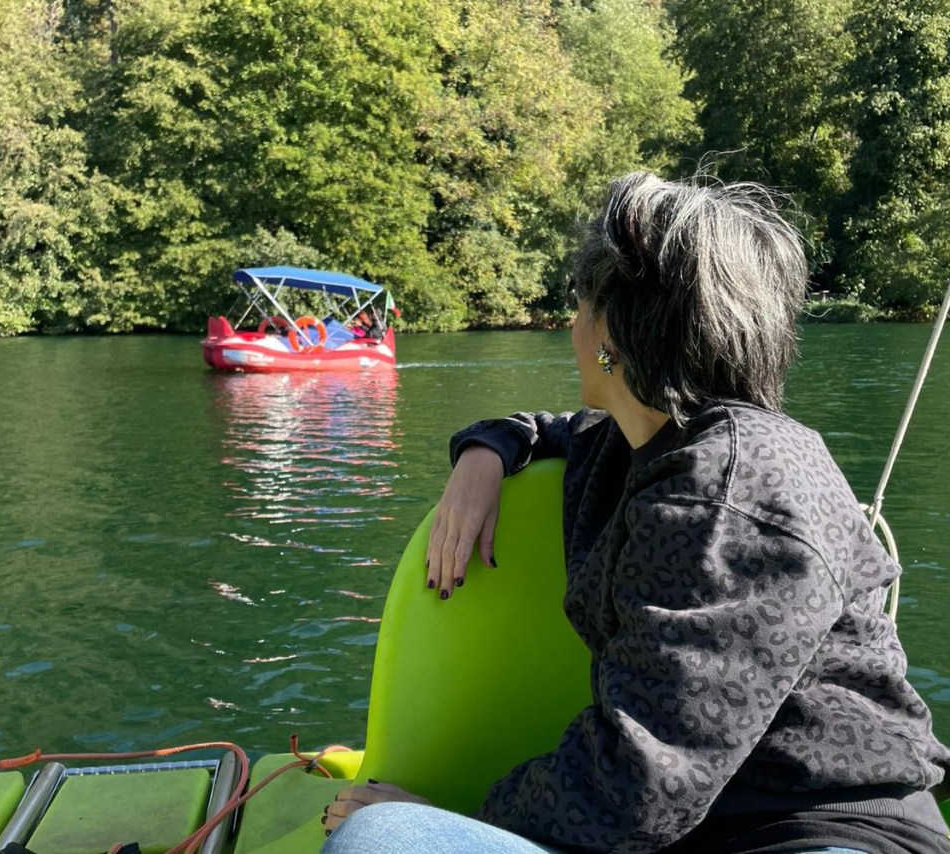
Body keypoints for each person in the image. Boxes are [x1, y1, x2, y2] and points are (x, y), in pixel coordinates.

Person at [322, 172, 950, 854]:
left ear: (612, 329)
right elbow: (557, 427)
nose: (571, 320)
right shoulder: (646, 441)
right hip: (696, 833)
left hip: (815, 837)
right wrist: (486, 450)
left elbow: (645, 782)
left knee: (380, 840)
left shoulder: (728, 489)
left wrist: (457, 812)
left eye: (580, 299)